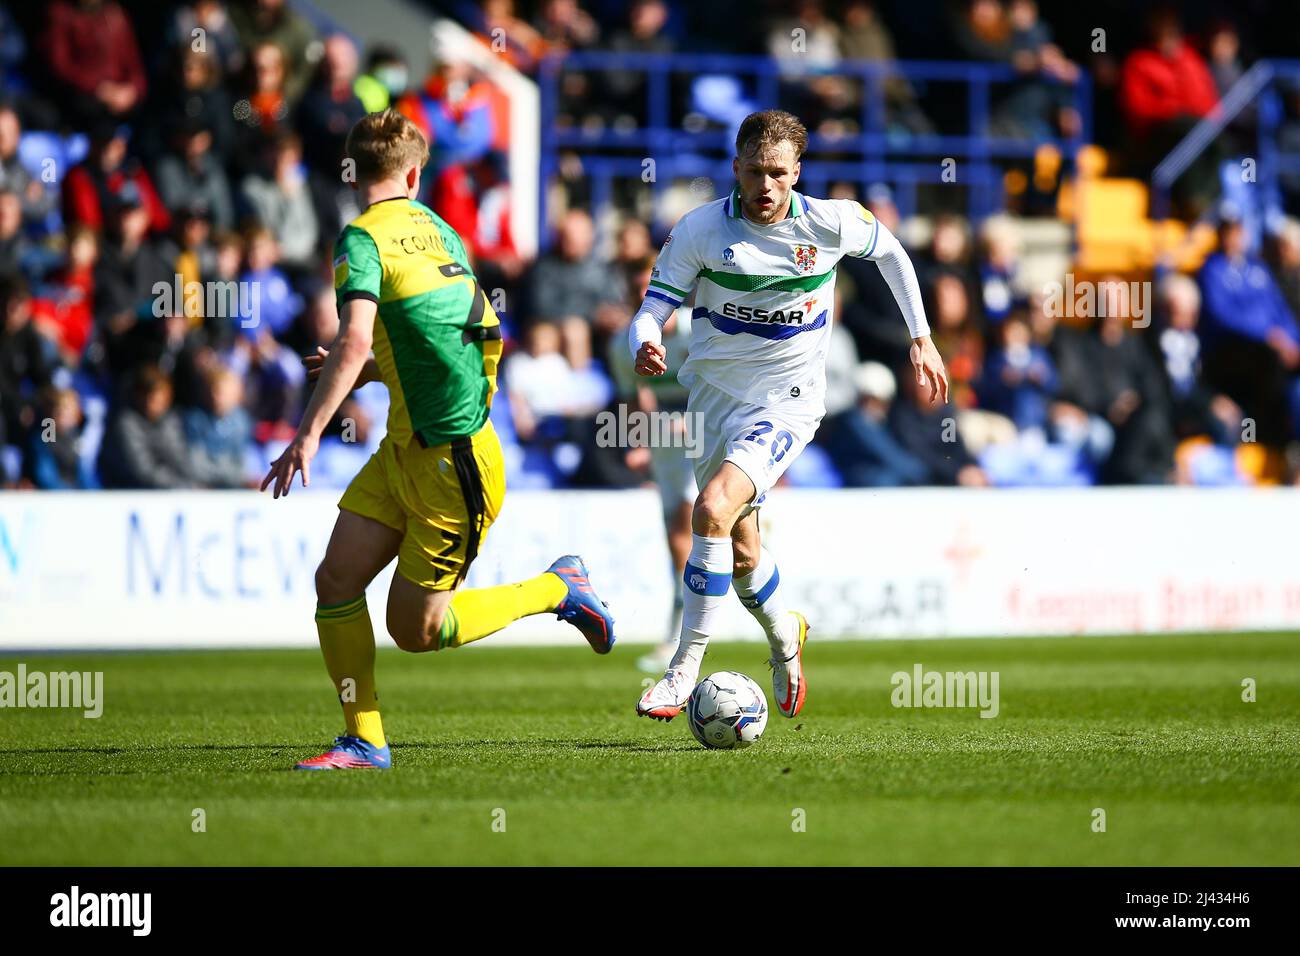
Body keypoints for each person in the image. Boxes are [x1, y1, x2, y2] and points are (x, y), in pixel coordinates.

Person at [260, 109, 616, 771]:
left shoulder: (359, 240)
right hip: (407, 447)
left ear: (352, 171)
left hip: (453, 463)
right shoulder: (442, 232)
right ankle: (365, 741)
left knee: (416, 631)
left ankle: (555, 589)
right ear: (415, 175)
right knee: (336, 580)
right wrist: (371, 369)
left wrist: (307, 434)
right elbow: (467, 332)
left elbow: (359, 336)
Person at [629, 110, 947, 720]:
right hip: (713, 401)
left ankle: (681, 671)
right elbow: (652, 306)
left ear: (797, 172)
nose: (766, 186)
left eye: (778, 173)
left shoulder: (832, 222)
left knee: (712, 509)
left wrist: (921, 337)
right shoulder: (698, 230)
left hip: (788, 401)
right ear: (736, 169)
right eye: (755, 172)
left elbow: (894, 256)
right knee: (741, 552)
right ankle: (785, 637)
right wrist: (647, 337)